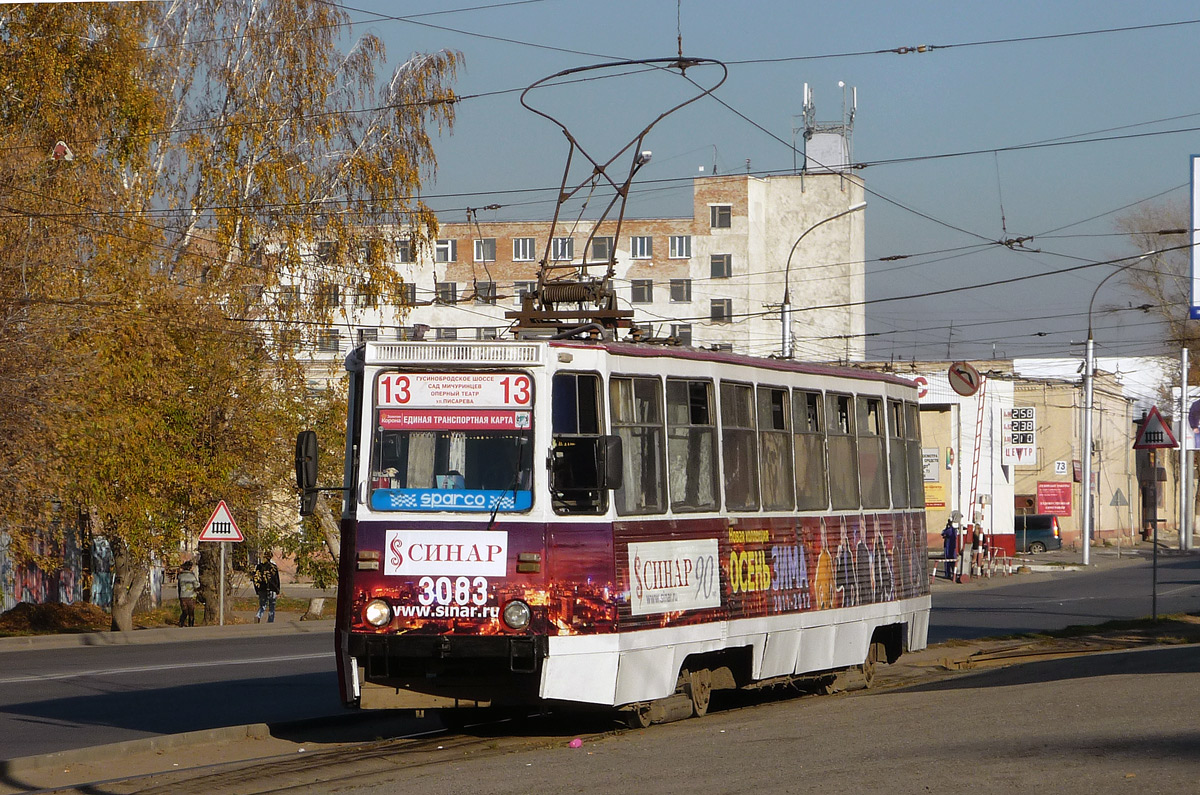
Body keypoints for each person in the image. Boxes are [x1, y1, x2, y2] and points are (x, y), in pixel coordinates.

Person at [253, 551, 281, 623]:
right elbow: (276, 579)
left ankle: (258, 616)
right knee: (272, 606)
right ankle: (270, 621)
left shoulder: (259, 567)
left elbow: (255, 579)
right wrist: (278, 589)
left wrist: (257, 589)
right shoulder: (273, 567)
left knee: (262, 605)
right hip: (272, 588)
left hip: (261, 589)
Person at [177, 560, 199, 627]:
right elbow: (196, 585)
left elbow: (179, 587)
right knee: (191, 612)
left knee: (184, 611)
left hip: (183, 595)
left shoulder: (180, 576)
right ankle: (191, 625)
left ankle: (181, 622)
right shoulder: (192, 576)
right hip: (191, 595)